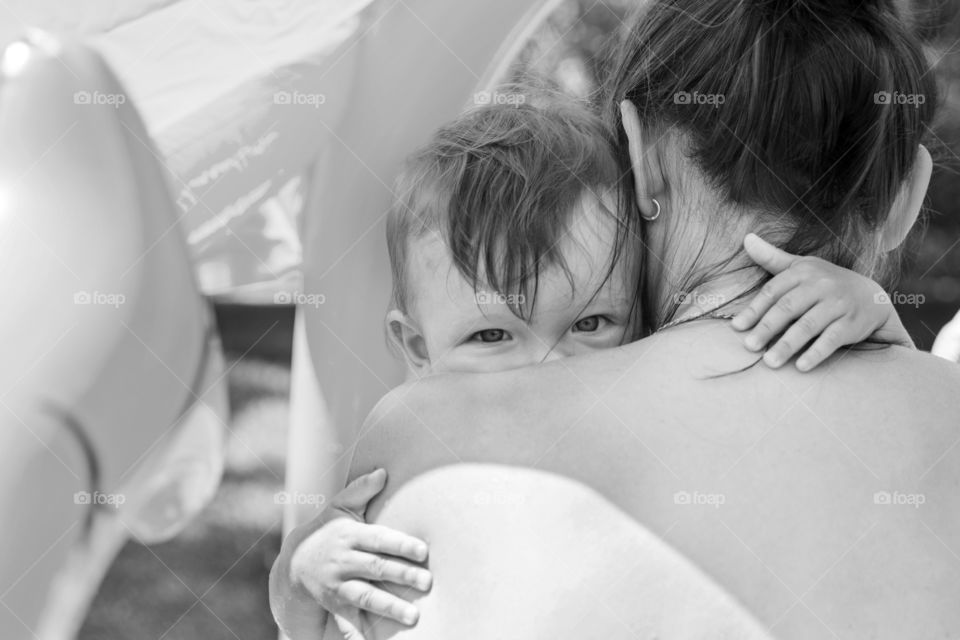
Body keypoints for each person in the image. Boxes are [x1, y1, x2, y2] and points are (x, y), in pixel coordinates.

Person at [271, 34, 948, 634]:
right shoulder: (935, 408)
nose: (545, 365)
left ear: (641, 157)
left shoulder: (421, 441)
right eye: (490, 336)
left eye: (591, 324)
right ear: (906, 196)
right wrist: (300, 573)